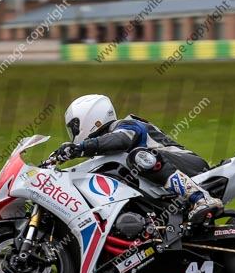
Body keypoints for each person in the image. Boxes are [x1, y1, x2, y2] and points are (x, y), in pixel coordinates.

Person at [54, 94, 223, 223]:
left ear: (91, 118)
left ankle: (201, 198)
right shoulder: (105, 150)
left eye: (74, 127)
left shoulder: (126, 125)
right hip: (166, 181)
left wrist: (81, 148)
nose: (73, 134)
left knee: (138, 157)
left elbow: (121, 140)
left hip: (190, 166)